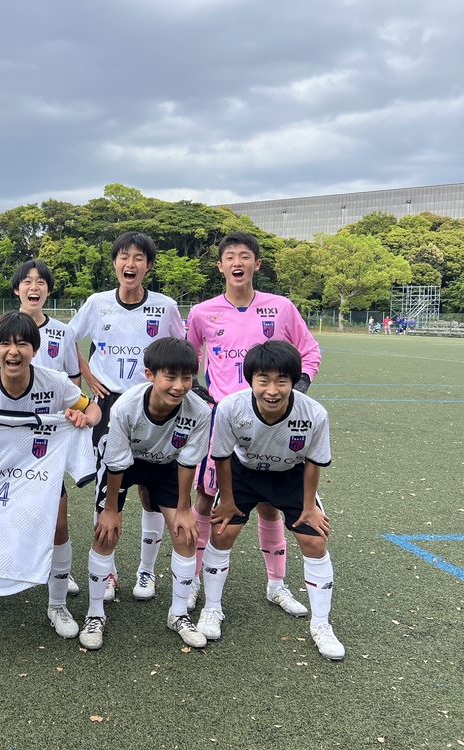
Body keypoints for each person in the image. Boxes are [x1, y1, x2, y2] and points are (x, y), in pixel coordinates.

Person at [0, 311, 101, 638]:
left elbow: (91, 406)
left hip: (37, 472)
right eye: (5, 344)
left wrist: (87, 419)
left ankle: (57, 605)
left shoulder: (54, 382)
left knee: (59, 525)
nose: (13, 351)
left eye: (22, 344)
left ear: (34, 350)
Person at [185, 231, 321, 617]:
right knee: (206, 497)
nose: (237, 262)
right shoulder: (202, 312)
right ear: (221, 266)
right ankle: (193, 579)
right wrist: (199, 391)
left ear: (256, 264)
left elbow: (310, 351)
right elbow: (187, 355)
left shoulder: (280, 308)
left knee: (269, 504)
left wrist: (300, 386)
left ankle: (276, 584)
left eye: (245, 256)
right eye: (230, 256)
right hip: (221, 421)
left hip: (272, 421)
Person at [196, 341, 344, 661]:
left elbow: (314, 462)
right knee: (222, 532)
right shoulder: (231, 407)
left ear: (294, 381)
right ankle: (212, 608)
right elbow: (221, 457)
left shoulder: (314, 413)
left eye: (282, 381)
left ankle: (320, 624)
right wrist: (228, 501)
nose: (272, 390)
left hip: (291, 474)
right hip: (243, 473)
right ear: (251, 379)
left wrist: (309, 508)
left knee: (315, 540)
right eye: (264, 380)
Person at [68, 231, 186, 603]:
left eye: (138, 258)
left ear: (148, 265)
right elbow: (66, 339)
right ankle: (108, 572)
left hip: (153, 405)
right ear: (115, 263)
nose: (130, 263)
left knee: (152, 489)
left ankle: (146, 571)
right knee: (108, 487)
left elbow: (181, 350)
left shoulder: (165, 306)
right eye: (123, 256)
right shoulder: (97, 303)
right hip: (108, 404)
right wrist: (87, 375)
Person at [80, 338, 212, 650]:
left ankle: (178, 614)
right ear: (150, 375)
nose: (179, 386)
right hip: (124, 466)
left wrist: (184, 509)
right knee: (105, 534)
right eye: (170, 377)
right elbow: (116, 461)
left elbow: (188, 461)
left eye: (187, 378)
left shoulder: (199, 411)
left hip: (166, 466)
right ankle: (95, 613)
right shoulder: (126, 406)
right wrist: (111, 509)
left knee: (185, 534)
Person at [0, 260, 84, 597]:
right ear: (16, 289)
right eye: (27, 281)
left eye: (40, 282)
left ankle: (57, 575)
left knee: (53, 516)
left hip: (43, 444)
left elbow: (74, 385)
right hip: (0, 443)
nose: (33, 287)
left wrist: (75, 417)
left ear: (48, 290)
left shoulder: (64, 332)